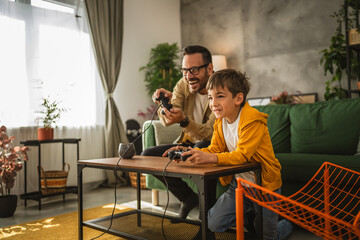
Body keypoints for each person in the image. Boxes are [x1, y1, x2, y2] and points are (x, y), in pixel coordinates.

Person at [163, 69, 293, 240]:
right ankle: (247, 216)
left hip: (265, 188)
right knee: (212, 223)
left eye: (220, 96)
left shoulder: (253, 121)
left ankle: (287, 225)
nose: (213, 103)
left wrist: (211, 158)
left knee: (267, 236)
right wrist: (188, 151)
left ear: (238, 98)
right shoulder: (220, 121)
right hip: (240, 186)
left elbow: (242, 156)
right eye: (210, 97)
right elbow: (214, 149)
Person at [141, 45, 216, 220]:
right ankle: (188, 198)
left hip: (212, 145)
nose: (189, 76)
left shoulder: (220, 90)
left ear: (210, 68)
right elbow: (168, 120)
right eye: (185, 70)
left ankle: (206, 219)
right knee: (148, 156)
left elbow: (209, 134)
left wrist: (183, 120)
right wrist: (164, 105)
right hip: (188, 143)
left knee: (202, 147)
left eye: (194, 70)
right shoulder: (184, 84)